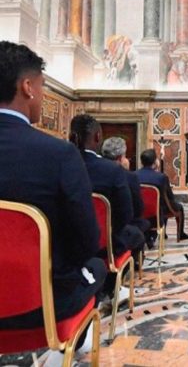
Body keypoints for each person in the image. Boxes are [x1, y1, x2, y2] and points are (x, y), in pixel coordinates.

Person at [0, 42, 106, 359]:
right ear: (27, 87)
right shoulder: (59, 154)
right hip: (37, 306)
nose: (43, 94)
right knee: (96, 266)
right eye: (43, 86)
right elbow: (87, 240)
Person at [69, 114, 144, 301]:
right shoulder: (111, 170)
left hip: (66, 242)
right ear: (97, 137)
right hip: (104, 241)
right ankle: (113, 285)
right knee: (136, 234)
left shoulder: (59, 163)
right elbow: (126, 214)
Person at [101, 136, 151, 266]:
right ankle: (132, 264)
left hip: (93, 230)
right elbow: (136, 210)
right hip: (117, 232)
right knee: (139, 231)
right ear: (120, 158)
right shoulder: (128, 176)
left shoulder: (88, 169)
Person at [136, 148, 188, 242]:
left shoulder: (134, 175)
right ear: (155, 162)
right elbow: (169, 196)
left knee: (162, 204)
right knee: (176, 207)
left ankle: (163, 233)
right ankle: (180, 234)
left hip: (139, 210)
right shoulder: (161, 177)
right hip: (157, 211)